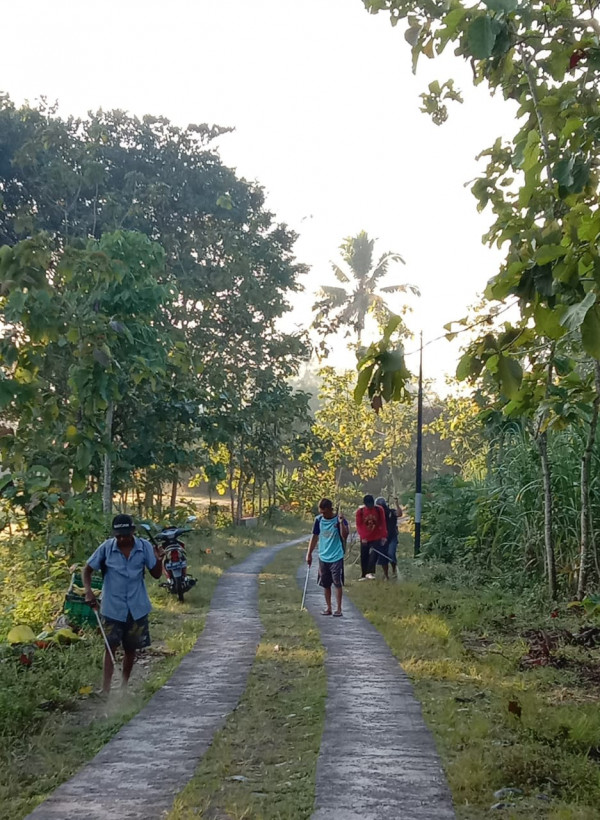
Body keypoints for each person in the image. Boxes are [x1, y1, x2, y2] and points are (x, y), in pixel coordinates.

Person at [83, 514, 164, 695]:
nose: (122, 539)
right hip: (113, 607)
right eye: (118, 535)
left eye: (125, 535)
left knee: (130, 648)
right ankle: (105, 690)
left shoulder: (144, 547)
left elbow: (157, 574)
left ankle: (124, 687)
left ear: (133, 532)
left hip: (137, 607)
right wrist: (88, 591)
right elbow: (87, 570)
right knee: (109, 647)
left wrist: (159, 559)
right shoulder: (106, 548)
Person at [306, 498, 349, 617]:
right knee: (325, 584)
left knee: (337, 583)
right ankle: (328, 607)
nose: (323, 514)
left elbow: (345, 536)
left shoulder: (339, 520)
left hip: (336, 556)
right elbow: (314, 537)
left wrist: (340, 523)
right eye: (321, 512)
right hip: (323, 556)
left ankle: (339, 609)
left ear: (330, 509)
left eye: (325, 512)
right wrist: (309, 554)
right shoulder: (318, 520)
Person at [355, 494, 387, 580]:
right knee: (364, 555)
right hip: (365, 538)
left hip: (376, 536)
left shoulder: (379, 510)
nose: (370, 506)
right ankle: (364, 574)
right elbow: (359, 525)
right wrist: (363, 537)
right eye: (368, 505)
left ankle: (370, 572)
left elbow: (383, 523)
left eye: (371, 504)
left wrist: (384, 536)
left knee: (374, 553)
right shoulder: (360, 511)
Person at [375, 496, 399, 579]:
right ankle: (386, 575)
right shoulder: (376, 516)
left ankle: (394, 570)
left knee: (391, 553)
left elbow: (399, 514)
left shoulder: (391, 512)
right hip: (381, 539)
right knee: (383, 557)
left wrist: (397, 504)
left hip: (392, 537)